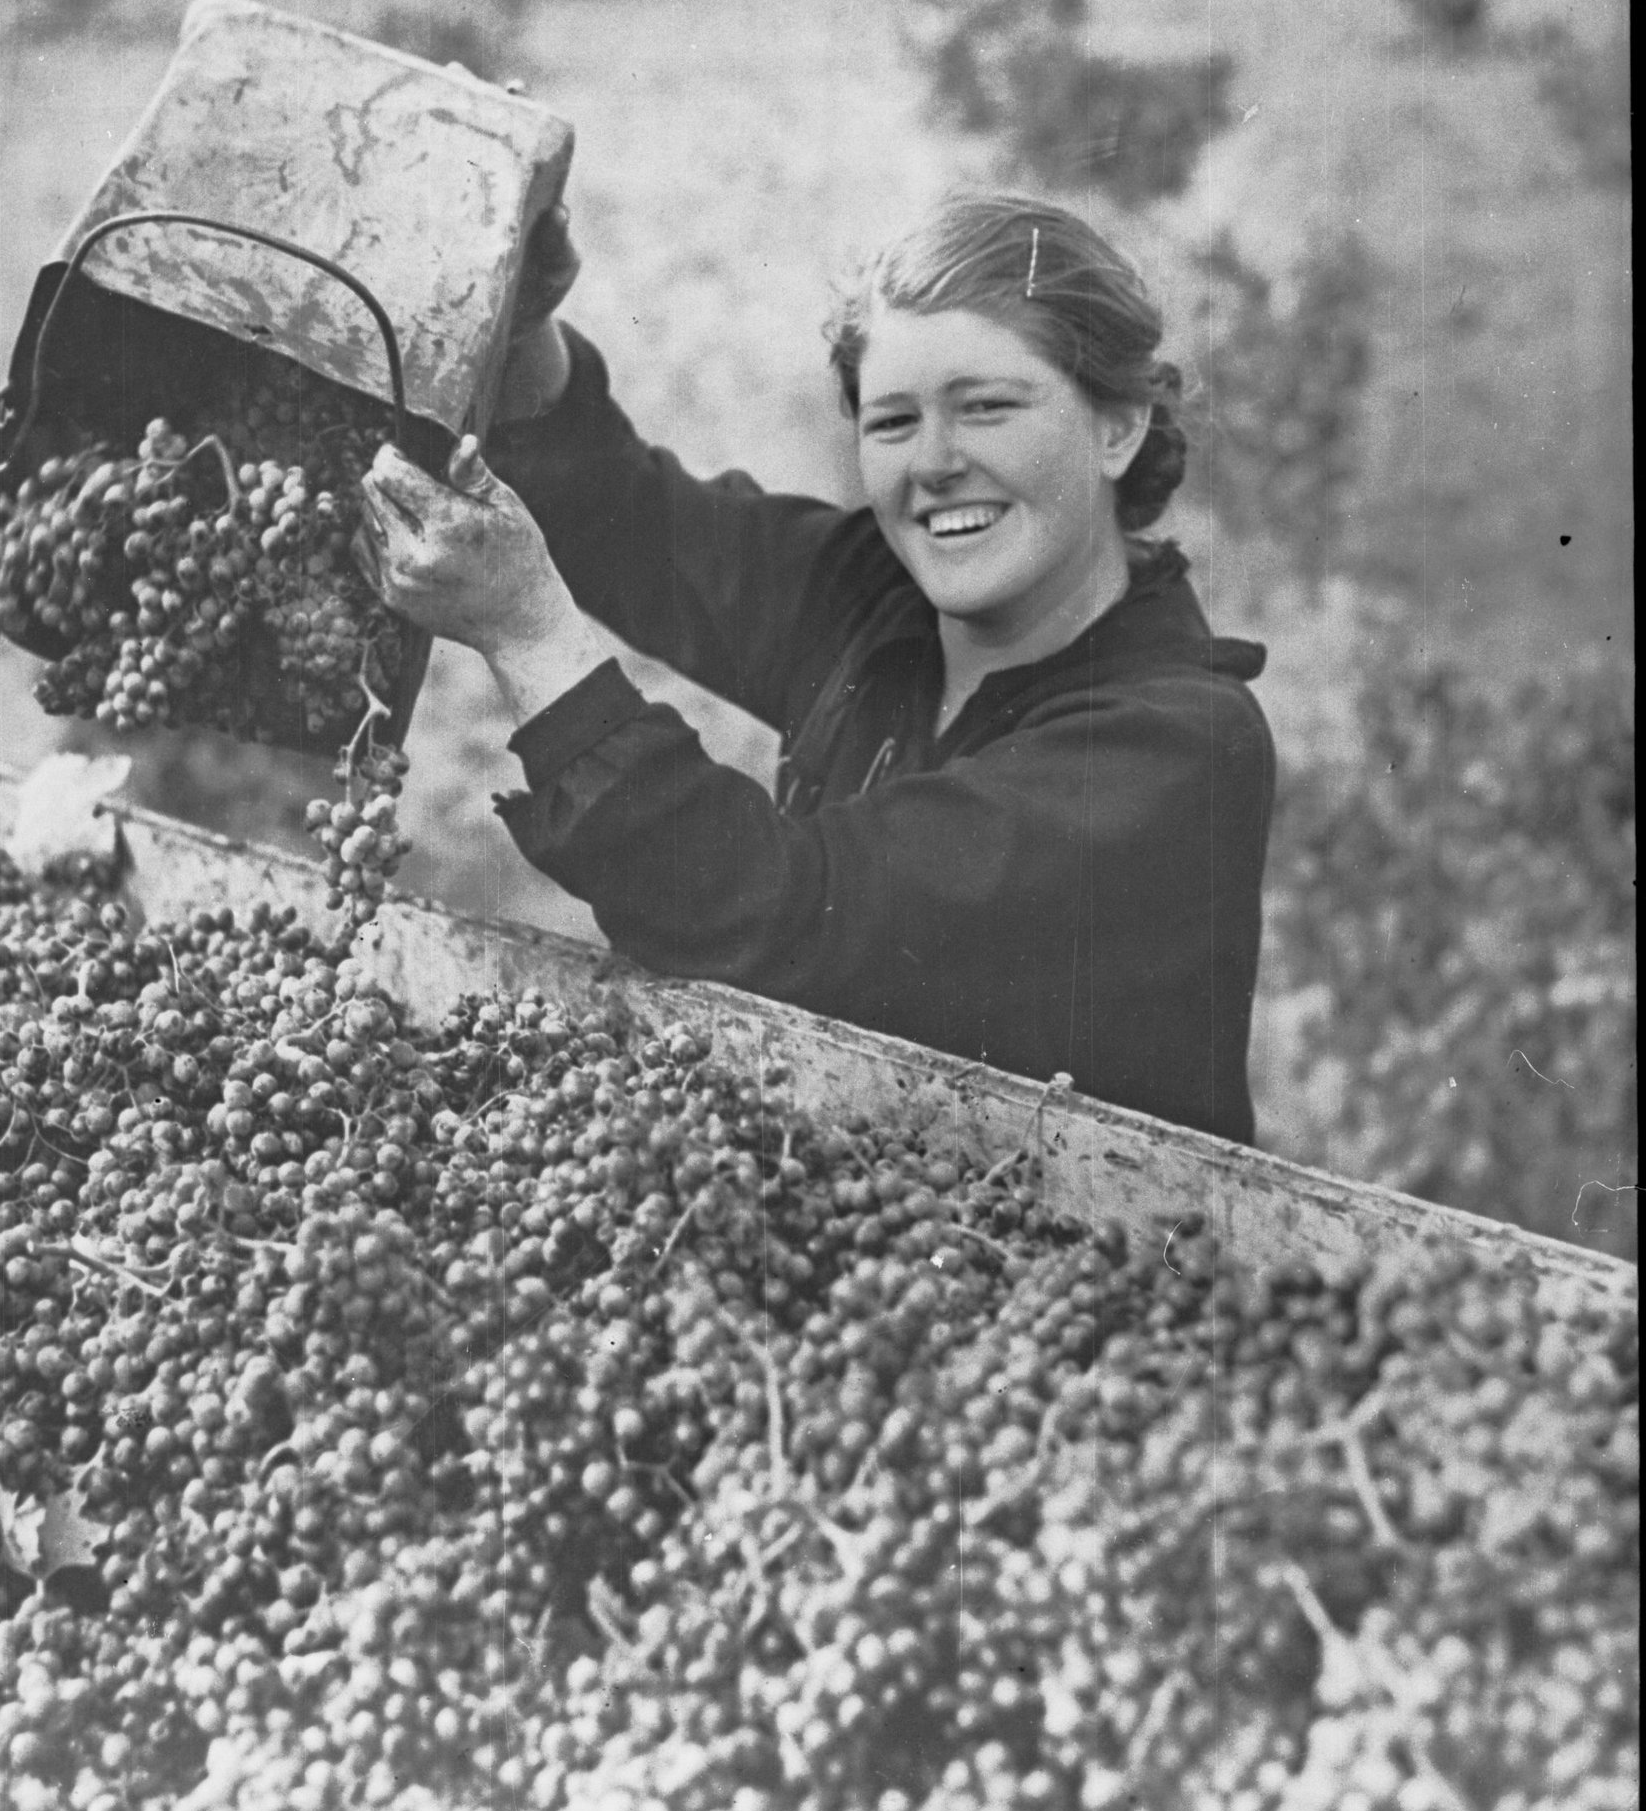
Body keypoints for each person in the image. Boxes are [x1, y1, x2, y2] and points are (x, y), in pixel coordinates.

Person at [354, 188, 1274, 1144]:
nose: (935, 463)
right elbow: (633, 524)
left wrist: (529, 631)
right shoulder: (881, 598)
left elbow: (766, 918)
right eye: (891, 423)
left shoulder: (1176, 753)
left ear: (1117, 428)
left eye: (988, 408)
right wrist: (524, 323)